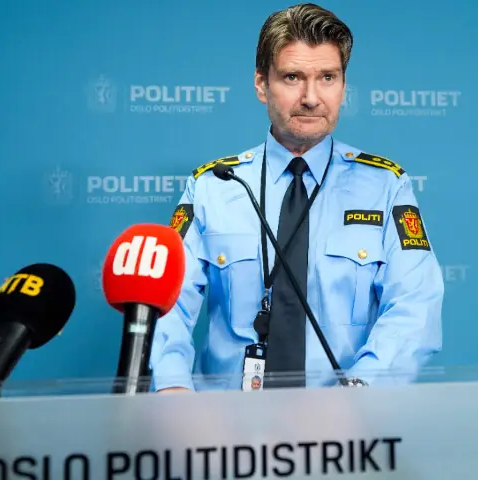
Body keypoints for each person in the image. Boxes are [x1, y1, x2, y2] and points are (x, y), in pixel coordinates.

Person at [151, 2, 444, 393]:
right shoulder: (213, 186)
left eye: (327, 77)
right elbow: (166, 306)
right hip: (225, 428)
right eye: (292, 77)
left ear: (343, 87)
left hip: (346, 427)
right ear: (261, 85)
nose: (310, 97)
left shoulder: (386, 186)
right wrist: (173, 391)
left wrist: (357, 395)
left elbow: (415, 306)